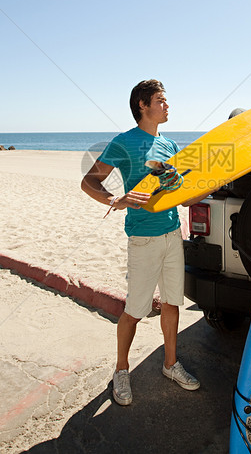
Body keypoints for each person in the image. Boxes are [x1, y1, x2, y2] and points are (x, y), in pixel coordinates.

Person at [81, 79, 201, 406]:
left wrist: (211, 184)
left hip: (172, 233)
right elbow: (89, 181)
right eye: (160, 101)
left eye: (166, 100)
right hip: (142, 238)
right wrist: (114, 200)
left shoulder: (172, 146)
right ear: (143, 106)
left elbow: (186, 196)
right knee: (136, 309)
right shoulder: (123, 143)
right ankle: (121, 370)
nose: (167, 105)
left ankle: (170, 364)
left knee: (173, 302)